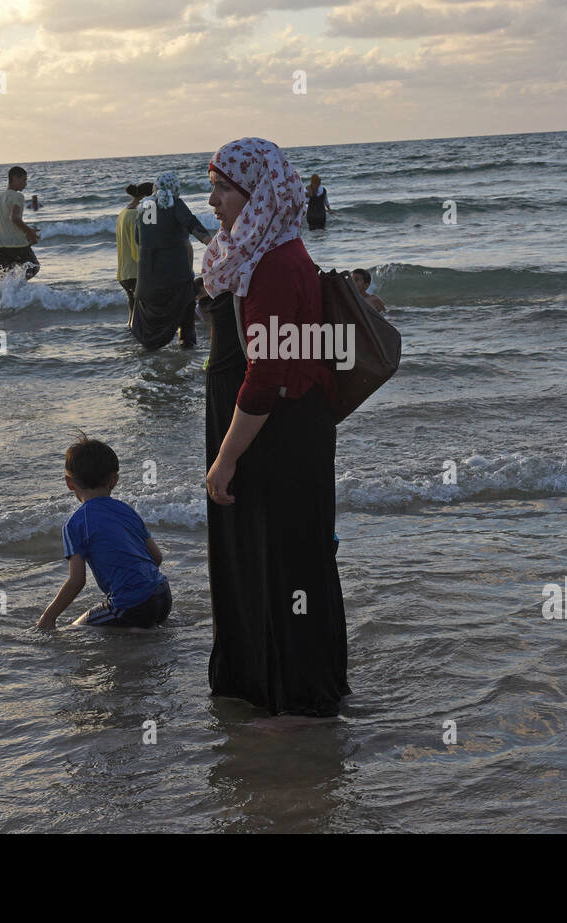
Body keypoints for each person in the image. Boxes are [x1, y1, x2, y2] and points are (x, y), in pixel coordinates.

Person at [201, 137, 349, 718]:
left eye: (222, 188)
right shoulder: (253, 251)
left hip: (274, 437)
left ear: (256, 192)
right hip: (259, 430)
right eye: (211, 185)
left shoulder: (276, 263)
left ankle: (294, 699)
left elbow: (268, 375)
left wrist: (226, 458)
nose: (211, 199)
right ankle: (259, 683)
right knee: (261, 555)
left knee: (283, 559)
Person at [37, 435, 172, 630]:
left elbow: (77, 581)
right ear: (114, 480)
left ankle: (137, 633)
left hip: (132, 605)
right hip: (162, 595)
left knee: (77, 629)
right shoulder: (127, 510)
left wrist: (48, 617)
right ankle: (141, 632)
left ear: (69, 482)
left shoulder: (75, 523)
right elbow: (156, 558)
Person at [130, 171, 212, 350]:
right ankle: (185, 348)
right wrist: (214, 245)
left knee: (151, 321)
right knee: (186, 312)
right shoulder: (174, 203)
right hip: (176, 277)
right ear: (175, 188)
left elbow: (138, 239)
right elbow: (192, 224)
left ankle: (150, 358)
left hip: (148, 280)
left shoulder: (145, 207)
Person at [0, 166, 41, 279]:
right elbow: (14, 218)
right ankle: (18, 288)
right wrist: (30, 233)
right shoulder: (17, 196)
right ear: (15, 178)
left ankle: (9, 294)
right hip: (16, 245)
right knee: (34, 267)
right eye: (24, 180)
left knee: (4, 278)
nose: (26, 184)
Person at [116, 182, 150, 322]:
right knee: (143, 310)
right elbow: (145, 240)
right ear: (146, 197)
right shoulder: (140, 214)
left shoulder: (123, 213)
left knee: (133, 309)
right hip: (136, 270)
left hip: (124, 271)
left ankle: (132, 335)